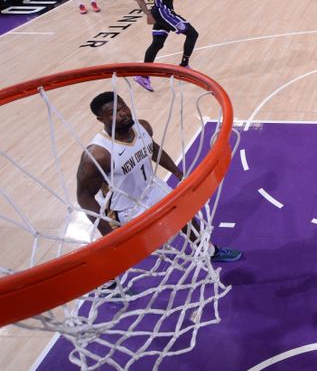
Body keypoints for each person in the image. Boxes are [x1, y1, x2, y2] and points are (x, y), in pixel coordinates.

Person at [76, 92, 241, 262]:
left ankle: (206, 250)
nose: (123, 113)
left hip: (152, 187)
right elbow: (83, 197)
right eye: (113, 112)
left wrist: (178, 173)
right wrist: (106, 231)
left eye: (123, 106)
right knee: (123, 253)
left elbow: (152, 148)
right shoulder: (98, 155)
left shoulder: (142, 127)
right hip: (124, 208)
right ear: (100, 119)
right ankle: (109, 283)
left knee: (184, 213)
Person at [133, 0, 199, 92]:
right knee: (193, 34)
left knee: (157, 43)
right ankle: (184, 65)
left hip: (167, 12)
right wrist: (148, 14)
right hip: (162, 13)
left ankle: (143, 76)